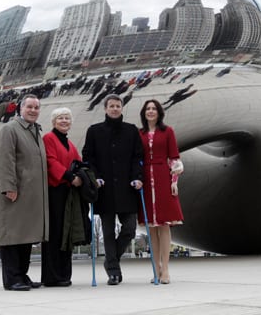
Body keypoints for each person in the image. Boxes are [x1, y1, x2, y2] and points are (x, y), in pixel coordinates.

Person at [82, 94, 144, 285]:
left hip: (127, 187)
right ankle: (114, 272)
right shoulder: (94, 131)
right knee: (108, 232)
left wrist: (137, 177)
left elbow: (137, 157)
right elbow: (88, 157)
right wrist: (95, 176)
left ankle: (110, 261)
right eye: (111, 106)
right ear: (105, 108)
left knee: (130, 229)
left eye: (118, 106)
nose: (115, 109)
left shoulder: (131, 130)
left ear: (122, 108)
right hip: (105, 188)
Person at [0, 94, 49, 291]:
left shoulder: (35, 130)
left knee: (26, 236)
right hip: (15, 192)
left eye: (36, 107)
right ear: (20, 108)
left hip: (31, 194)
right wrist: (9, 187)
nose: (33, 110)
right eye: (30, 107)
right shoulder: (10, 129)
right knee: (12, 236)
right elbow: (5, 160)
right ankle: (12, 278)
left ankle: (22, 275)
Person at [138, 99, 184, 284]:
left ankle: (165, 269)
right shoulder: (139, 133)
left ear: (159, 112)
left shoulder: (168, 131)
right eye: (148, 109)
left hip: (162, 177)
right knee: (151, 227)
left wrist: (174, 180)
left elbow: (174, 158)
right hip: (145, 181)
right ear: (144, 112)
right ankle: (155, 267)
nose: (150, 111)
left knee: (164, 225)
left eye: (154, 109)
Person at [41, 107, 84, 287]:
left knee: (66, 232)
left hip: (68, 192)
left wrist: (84, 176)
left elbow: (78, 162)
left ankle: (64, 274)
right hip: (55, 190)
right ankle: (52, 276)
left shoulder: (70, 144)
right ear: (54, 122)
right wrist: (70, 177)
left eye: (67, 118)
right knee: (55, 233)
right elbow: (50, 161)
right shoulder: (48, 139)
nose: (64, 121)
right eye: (60, 118)